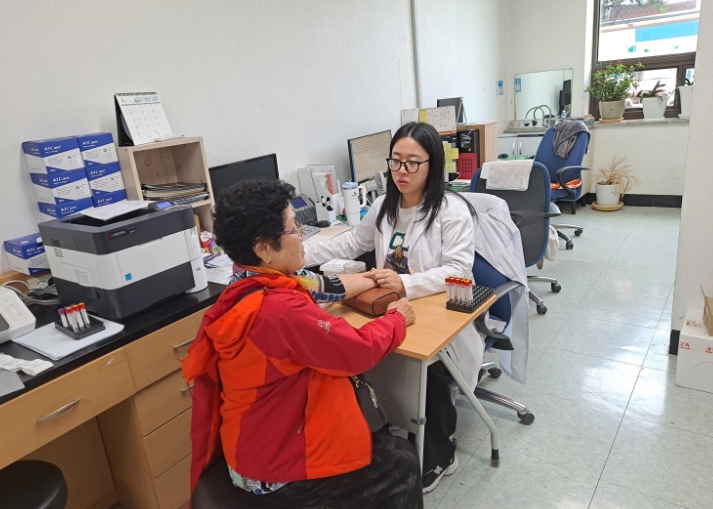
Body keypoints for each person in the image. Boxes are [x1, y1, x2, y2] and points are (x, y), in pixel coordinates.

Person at [182, 179, 423, 509]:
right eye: (293, 228)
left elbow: (321, 285)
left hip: (251, 444)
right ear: (264, 247)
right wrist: (396, 318)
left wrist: (371, 278)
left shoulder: (248, 278)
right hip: (275, 472)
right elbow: (357, 350)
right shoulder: (279, 311)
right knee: (402, 461)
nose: (301, 236)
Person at [304, 121, 481, 494]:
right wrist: (296, 254)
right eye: (396, 161)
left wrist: (405, 283)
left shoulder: (451, 210)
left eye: (413, 162)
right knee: (358, 354)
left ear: (432, 164)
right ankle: (393, 422)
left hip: (436, 313)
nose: (402, 171)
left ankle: (441, 452)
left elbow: (459, 270)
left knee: (428, 373)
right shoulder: (385, 205)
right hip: (390, 308)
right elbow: (352, 242)